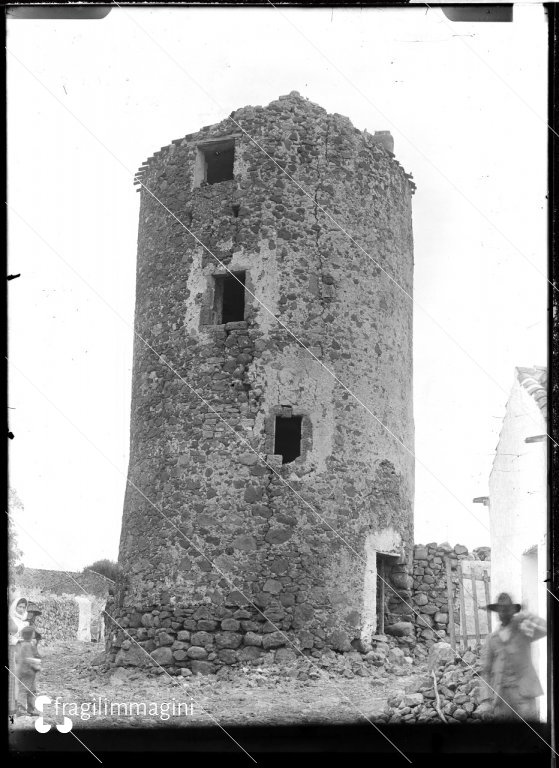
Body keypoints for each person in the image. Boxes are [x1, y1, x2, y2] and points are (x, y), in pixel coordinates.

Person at [481, 592, 546, 721]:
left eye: (507, 609)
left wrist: (526, 615)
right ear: (497, 613)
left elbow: (546, 628)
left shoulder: (524, 631)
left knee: (529, 735)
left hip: (524, 696)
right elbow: (486, 671)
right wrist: (485, 699)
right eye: (500, 609)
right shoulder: (491, 639)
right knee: (506, 737)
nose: (503, 613)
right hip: (501, 697)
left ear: (513, 612)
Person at [8, 596, 29, 716]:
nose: (21, 609)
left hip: (23, 650)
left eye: (23, 607)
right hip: (13, 649)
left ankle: (20, 706)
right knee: (13, 678)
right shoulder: (11, 619)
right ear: (15, 606)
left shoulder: (24, 620)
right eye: (19, 606)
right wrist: (17, 639)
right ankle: (12, 707)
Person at [15, 626, 41, 716]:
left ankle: (31, 709)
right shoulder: (26, 646)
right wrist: (37, 664)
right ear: (31, 635)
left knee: (32, 690)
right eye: (33, 633)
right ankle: (21, 710)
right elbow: (28, 659)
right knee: (24, 690)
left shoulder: (28, 644)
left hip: (30, 673)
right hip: (25, 672)